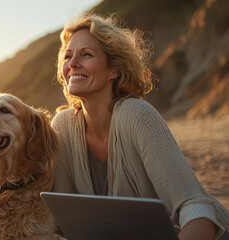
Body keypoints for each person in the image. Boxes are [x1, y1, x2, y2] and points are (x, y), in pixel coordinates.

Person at [51, 13, 229, 240]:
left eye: (86, 54)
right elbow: (64, 222)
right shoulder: (63, 127)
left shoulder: (136, 114)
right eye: (67, 56)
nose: (72, 63)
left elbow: (197, 210)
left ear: (114, 70)